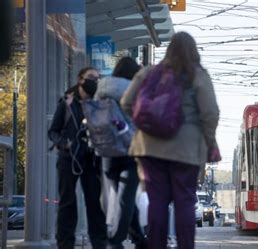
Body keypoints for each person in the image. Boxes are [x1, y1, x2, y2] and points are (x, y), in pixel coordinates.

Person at [121, 32, 220, 249]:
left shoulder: (149, 73)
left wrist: (145, 128)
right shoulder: (198, 75)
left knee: (157, 200)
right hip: (186, 150)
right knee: (184, 201)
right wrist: (209, 141)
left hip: (149, 148)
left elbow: (127, 103)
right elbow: (210, 113)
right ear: (193, 51)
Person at [48, 67, 107, 249]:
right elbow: (53, 131)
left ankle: (99, 243)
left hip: (92, 159)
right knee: (67, 202)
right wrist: (64, 143)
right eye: (91, 78)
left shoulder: (100, 103)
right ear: (80, 79)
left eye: (98, 78)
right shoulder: (67, 102)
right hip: (69, 158)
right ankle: (65, 244)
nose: (95, 81)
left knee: (94, 203)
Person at [93, 57, 147, 249]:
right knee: (126, 199)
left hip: (106, 150)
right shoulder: (134, 92)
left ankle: (140, 240)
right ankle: (115, 241)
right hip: (129, 150)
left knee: (123, 197)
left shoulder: (101, 90)